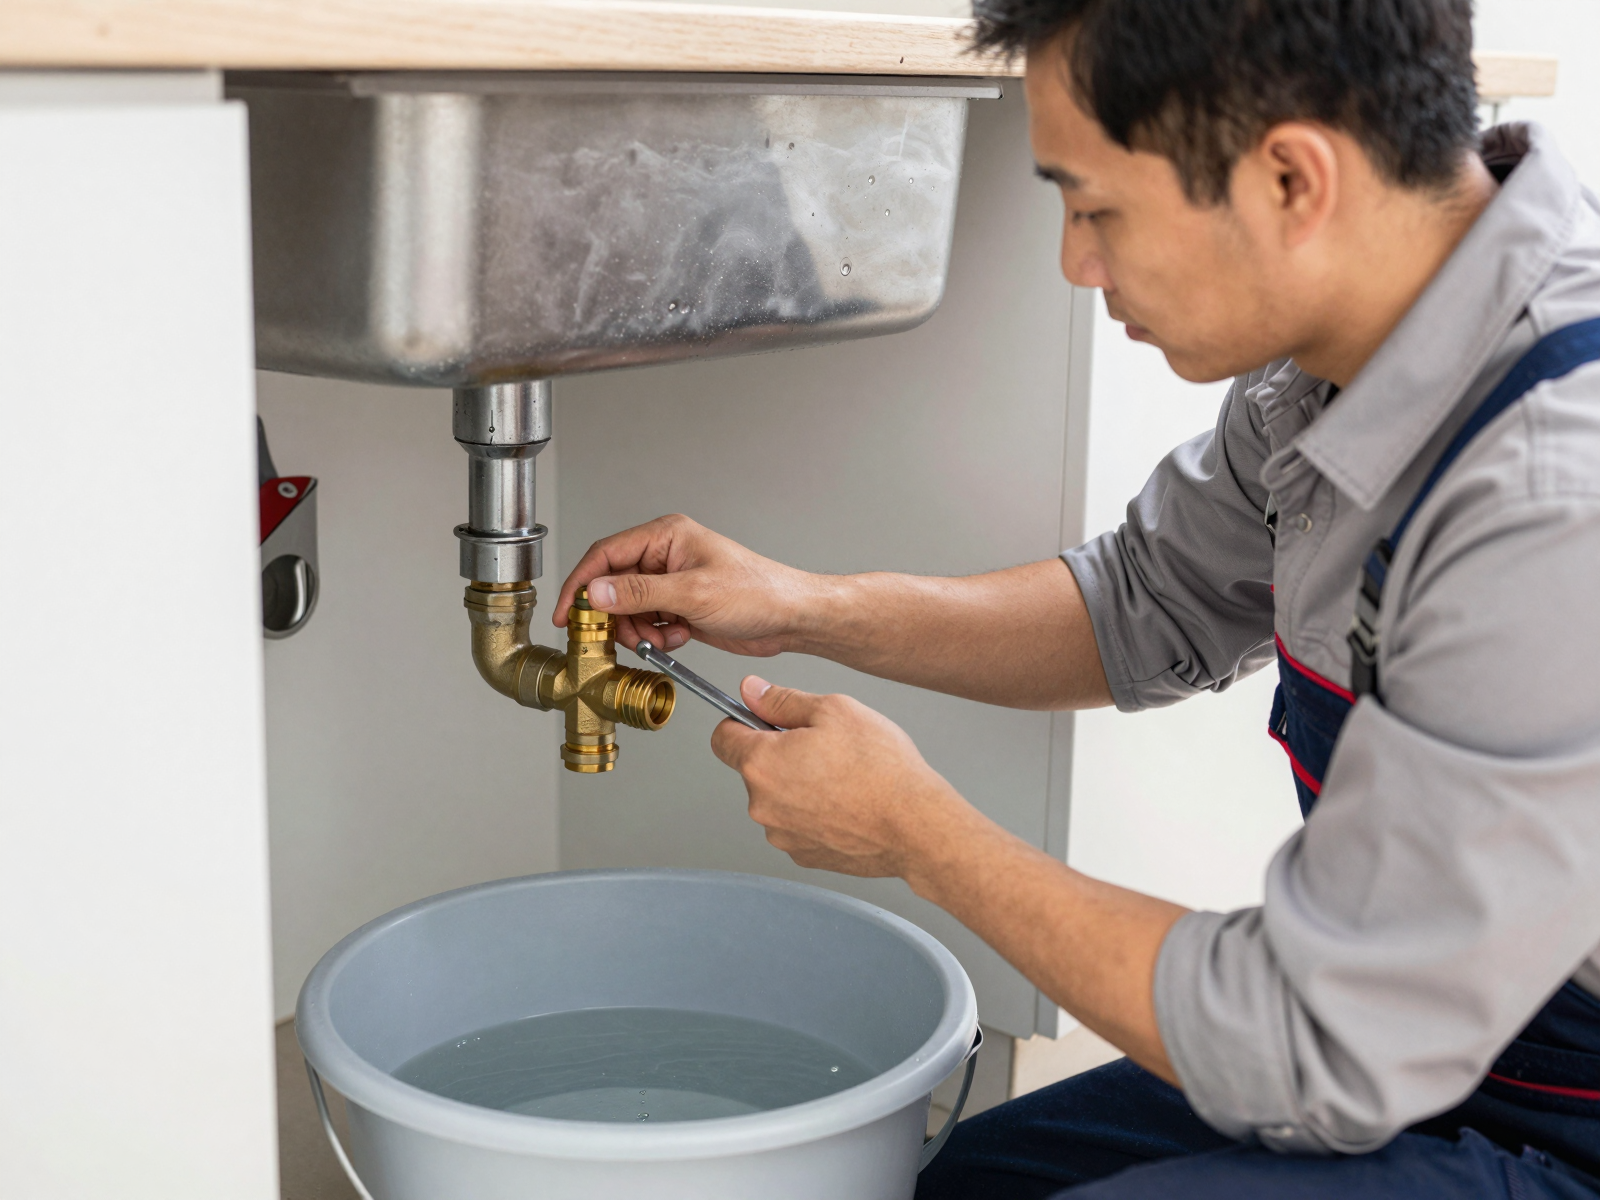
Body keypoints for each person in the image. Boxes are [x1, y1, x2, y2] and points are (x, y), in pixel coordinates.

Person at [554, 1, 1600, 1195]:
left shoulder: (1552, 494)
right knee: (959, 1184)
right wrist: (802, 606)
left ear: (1290, 181)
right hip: (1418, 1025)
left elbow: (1318, 1042)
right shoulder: (1336, 362)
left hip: (1510, 1097)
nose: (1073, 263)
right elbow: (1142, 602)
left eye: (1095, 208)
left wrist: (919, 835)